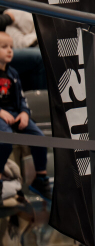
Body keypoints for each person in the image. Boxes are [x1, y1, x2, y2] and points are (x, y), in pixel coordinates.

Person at [0, 32, 49, 201]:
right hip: (1, 115)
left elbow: (21, 98)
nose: (10, 51)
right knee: (4, 141)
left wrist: (24, 113)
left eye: (11, 47)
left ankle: (40, 178)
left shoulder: (13, 73)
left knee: (40, 138)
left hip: (15, 113)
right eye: (4, 47)